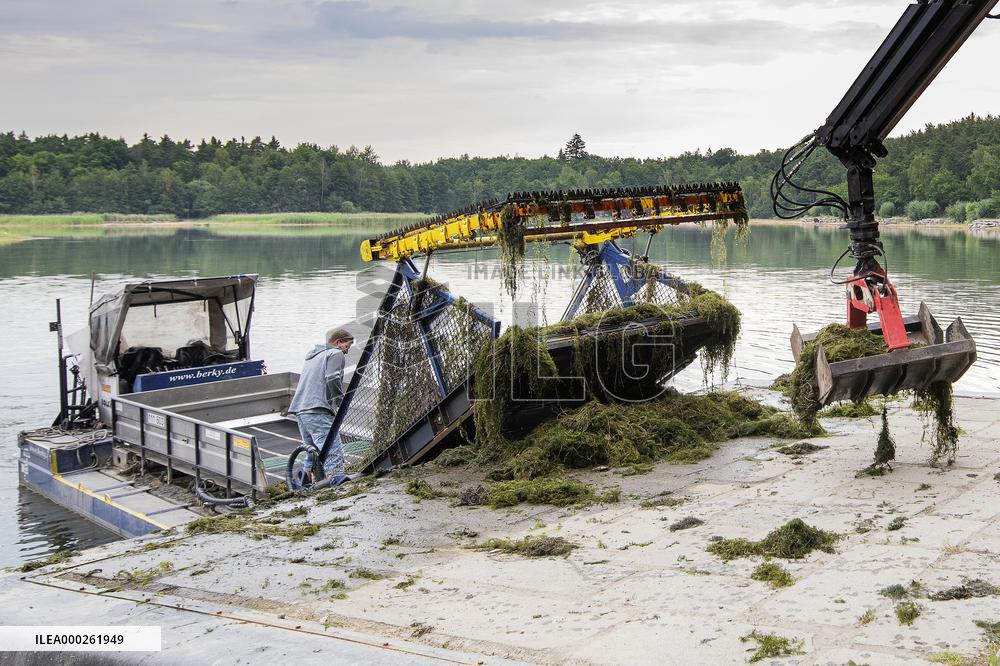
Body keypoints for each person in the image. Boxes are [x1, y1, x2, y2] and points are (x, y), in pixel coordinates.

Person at [288, 327, 354, 485]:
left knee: (311, 449)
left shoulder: (313, 356)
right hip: (316, 409)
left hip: (300, 409)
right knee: (332, 447)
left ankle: (304, 479)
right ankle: (335, 480)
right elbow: (332, 378)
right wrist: (339, 404)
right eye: (347, 346)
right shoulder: (335, 353)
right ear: (338, 343)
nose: (346, 352)